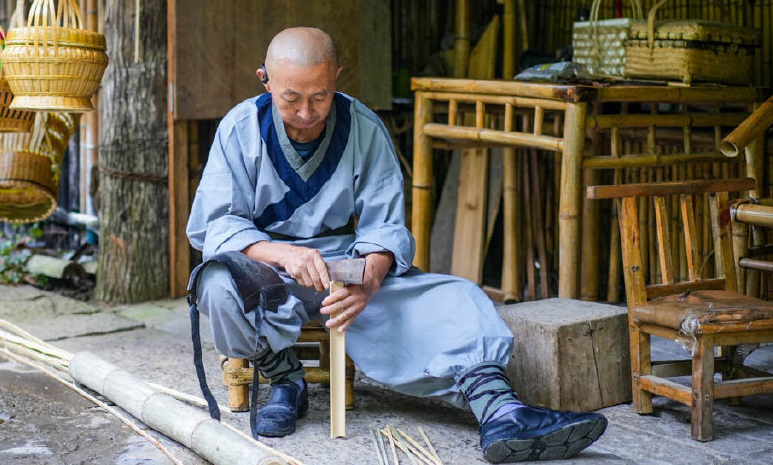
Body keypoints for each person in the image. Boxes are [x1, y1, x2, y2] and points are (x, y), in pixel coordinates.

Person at [186, 27, 607, 462]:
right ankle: (284, 378)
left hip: (344, 273)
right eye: (291, 98)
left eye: (321, 96)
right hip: (269, 271)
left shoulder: (363, 127)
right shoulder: (239, 129)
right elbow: (217, 225)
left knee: (456, 298)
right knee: (216, 285)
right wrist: (286, 254)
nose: (307, 112)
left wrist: (369, 278)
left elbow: (384, 227)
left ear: (337, 78)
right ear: (265, 80)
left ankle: (501, 411)